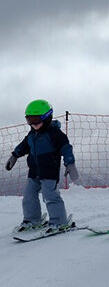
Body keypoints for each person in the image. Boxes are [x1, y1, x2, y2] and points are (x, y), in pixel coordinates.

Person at [5, 99, 80, 232]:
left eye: (36, 120)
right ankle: (32, 220)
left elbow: (66, 148)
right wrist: (14, 155)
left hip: (49, 172)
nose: (33, 124)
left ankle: (59, 222)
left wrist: (70, 163)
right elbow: (23, 146)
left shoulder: (55, 134)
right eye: (30, 120)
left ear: (47, 118)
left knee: (50, 197)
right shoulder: (31, 134)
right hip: (33, 171)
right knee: (28, 196)